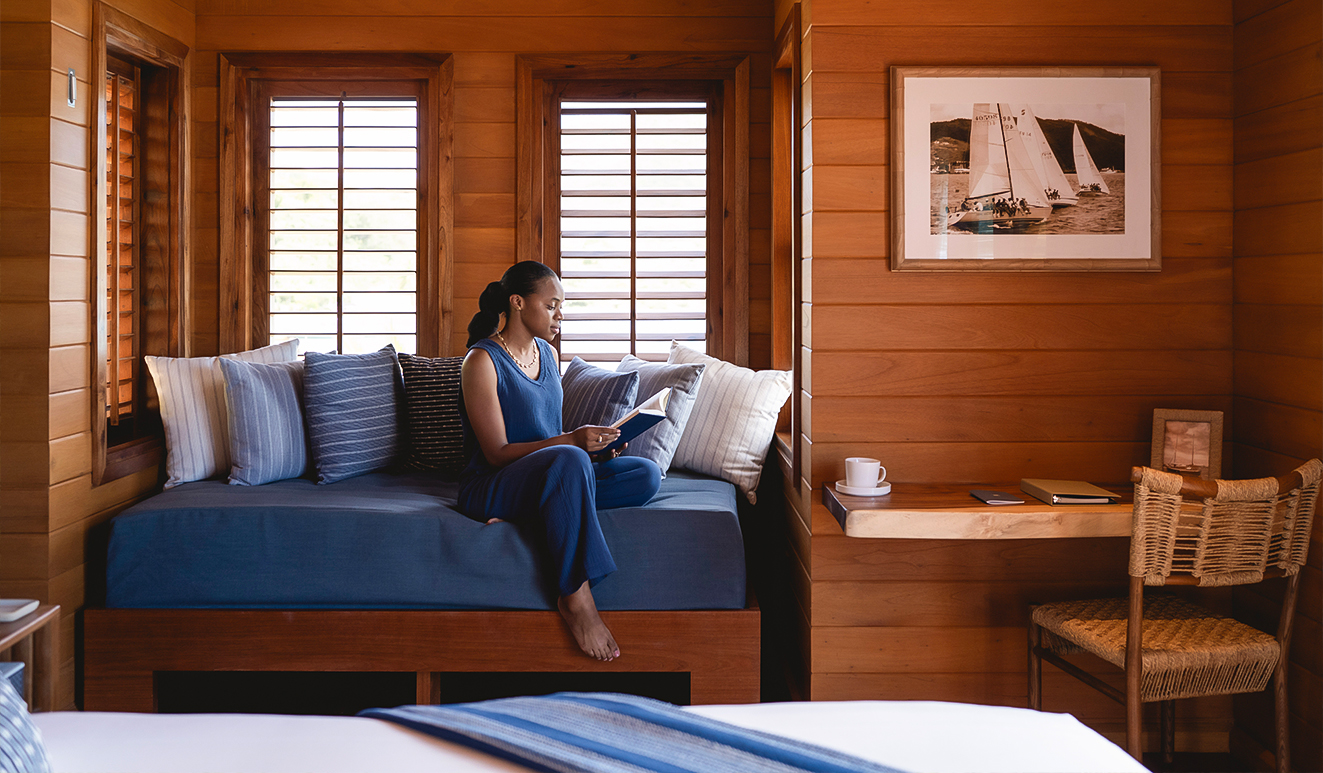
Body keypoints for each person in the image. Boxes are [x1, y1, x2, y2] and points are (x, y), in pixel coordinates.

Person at [458, 260, 662, 662]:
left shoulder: (548, 356)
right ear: (518, 303)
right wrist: (572, 444)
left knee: (646, 474)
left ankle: (541, 514)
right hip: (493, 484)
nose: (560, 315)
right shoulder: (480, 362)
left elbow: (550, 436)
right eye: (552, 305)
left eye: (561, 307)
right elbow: (497, 453)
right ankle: (576, 597)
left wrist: (595, 450)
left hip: (551, 474)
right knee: (569, 460)